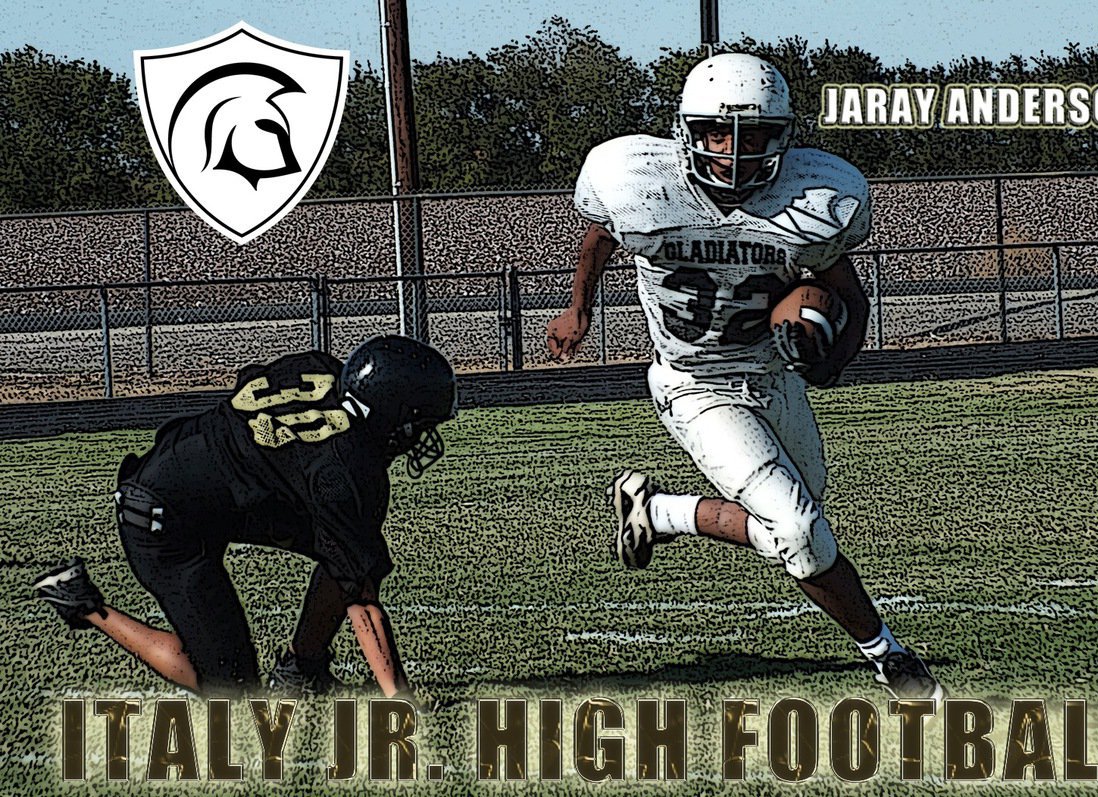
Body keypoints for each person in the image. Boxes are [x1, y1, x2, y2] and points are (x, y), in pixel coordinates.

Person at [546, 53, 943, 702]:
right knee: (796, 530)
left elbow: (849, 294)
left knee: (798, 523)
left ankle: (658, 512)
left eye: (752, 134)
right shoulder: (639, 182)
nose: (732, 152)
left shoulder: (814, 198)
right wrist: (579, 308)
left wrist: (831, 354)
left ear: (781, 136)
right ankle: (891, 658)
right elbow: (600, 237)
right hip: (695, 382)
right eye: (717, 133)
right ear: (687, 132)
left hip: (773, 373)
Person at [33, 334, 457, 697]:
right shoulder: (339, 471)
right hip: (163, 513)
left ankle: (301, 670)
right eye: (421, 425)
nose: (423, 437)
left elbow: (251, 379)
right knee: (231, 684)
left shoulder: (318, 369)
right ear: (393, 419)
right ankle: (84, 603)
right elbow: (363, 606)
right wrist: (400, 698)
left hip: (221, 486)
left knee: (350, 554)